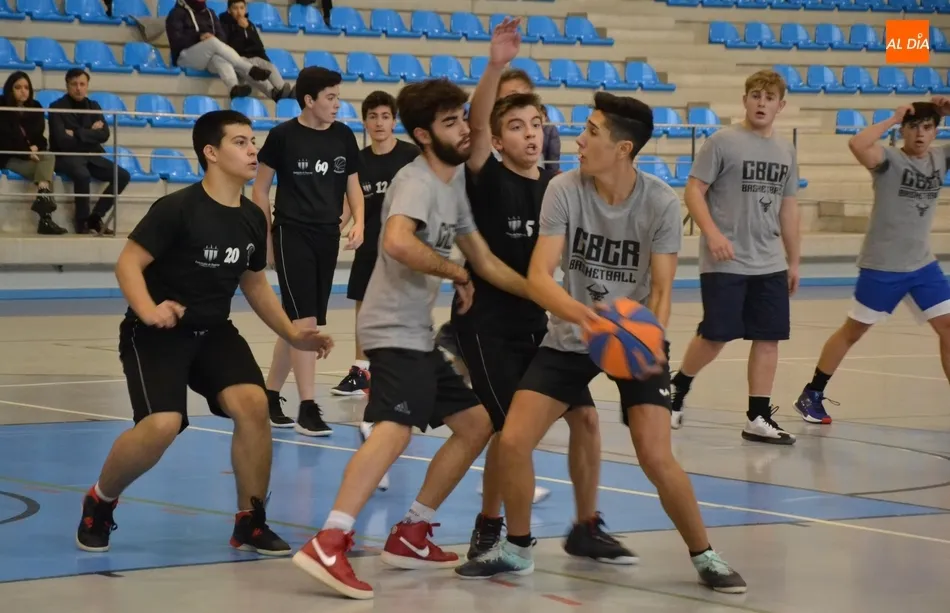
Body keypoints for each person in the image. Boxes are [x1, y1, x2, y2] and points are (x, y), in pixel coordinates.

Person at [453, 92, 747, 594]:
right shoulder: (563, 188)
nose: (577, 139)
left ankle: (706, 554)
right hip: (572, 332)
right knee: (516, 438)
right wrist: (586, 318)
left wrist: (643, 336)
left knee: (655, 455)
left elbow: (659, 290)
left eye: (591, 132)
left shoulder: (659, 202)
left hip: (633, 337)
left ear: (623, 148)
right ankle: (518, 547)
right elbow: (540, 276)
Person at [291, 76, 541, 600]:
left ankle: (411, 532)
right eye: (451, 122)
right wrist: (454, 272)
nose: (465, 129)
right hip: (390, 327)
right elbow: (399, 241)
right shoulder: (415, 180)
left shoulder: (453, 185)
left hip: (417, 333)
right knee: (395, 428)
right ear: (425, 135)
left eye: (463, 118)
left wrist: (549, 298)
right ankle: (330, 539)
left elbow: (485, 260)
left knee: (476, 425)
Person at [75, 110, 334, 556]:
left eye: (253, 140)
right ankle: (100, 499)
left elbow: (254, 283)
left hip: (213, 329)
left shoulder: (254, 216)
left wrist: (293, 334)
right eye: (240, 142)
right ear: (211, 153)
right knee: (162, 425)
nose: (252, 149)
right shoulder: (176, 208)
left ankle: (250, 521)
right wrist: (149, 310)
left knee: (254, 404)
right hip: (155, 331)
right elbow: (128, 264)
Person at [452, 19, 631, 563]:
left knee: (587, 418)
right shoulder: (485, 174)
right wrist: (495, 64)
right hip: (488, 326)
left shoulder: (560, 188)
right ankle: (492, 525)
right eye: (516, 125)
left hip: (545, 326)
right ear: (499, 136)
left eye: (536, 123)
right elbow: (477, 126)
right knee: (510, 433)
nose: (528, 133)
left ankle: (585, 524)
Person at [794, 99, 950, 423]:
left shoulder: (940, 157)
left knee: (948, 327)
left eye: (927, 127)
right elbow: (857, 143)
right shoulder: (888, 160)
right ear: (904, 130)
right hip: (883, 266)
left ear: (936, 130)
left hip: (922, 265)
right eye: (913, 127)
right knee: (853, 331)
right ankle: (813, 392)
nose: (920, 134)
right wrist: (893, 118)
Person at [668, 69, 801, 445]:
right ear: (745, 100)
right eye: (755, 95)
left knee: (769, 337)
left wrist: (794, 260)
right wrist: (712, 234)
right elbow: (694, 191)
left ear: (781, 105)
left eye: (769, 97)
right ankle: (678, 388)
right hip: (725, 259)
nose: (761, 103)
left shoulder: (786, 150)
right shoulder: (721, 141)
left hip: (770, 260)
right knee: (716, 334)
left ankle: (758, 416)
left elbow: (789, 208)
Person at [252, 66, 364, 435]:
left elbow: (352, 187)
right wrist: (266, 237)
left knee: (297, 322)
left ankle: (269, 396)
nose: (337, 104)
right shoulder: (283, 136)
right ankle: (307, 406)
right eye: (330, 98)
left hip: (325, 236)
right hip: (290, 233)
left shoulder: (344, 136)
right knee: (306, 323)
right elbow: (260, 190)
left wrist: (357, 221)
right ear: (309, 100)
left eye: (337, 97)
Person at [333, 90, 419, 399]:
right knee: (364, 308)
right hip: (369, 248)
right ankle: (361, 371)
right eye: (373, 117)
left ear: (394, 121)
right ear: (365, 122)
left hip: (404, 248)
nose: (379, 123)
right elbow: (348, 205)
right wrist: (330, 232)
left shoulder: (412, 156)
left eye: (385, 116)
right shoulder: (358, 162)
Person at [49, 69, 130, 235]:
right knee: (82, 174)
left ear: (87, 86)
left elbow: (104, 134)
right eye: (74, 84)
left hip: (91, 156)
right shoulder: (56, 107)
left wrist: (77, 132)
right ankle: (82, 223)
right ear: (67, 86)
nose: (78, 88)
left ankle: (96, 217)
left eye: (82, 84)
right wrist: (89, 132)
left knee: (122, 175)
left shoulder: (93, 106)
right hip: (66, 156)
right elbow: (62, 140)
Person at [0, 71, 66, 235]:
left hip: (31, 156)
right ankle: (46, 219)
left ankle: (43, 197)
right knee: (46, 169)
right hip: (8, 156)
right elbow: (4, 138)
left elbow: (40, 139)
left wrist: (36, 147)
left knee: (48, 157)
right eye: (18, 87)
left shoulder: (35, 107)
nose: (23, 91)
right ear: (10, 89)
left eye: (26, 87)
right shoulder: (2, 107)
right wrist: (27, 152)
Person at [166, 0, 272, 99]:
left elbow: (222, 36)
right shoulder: (176, 14)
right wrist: (199, 37)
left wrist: (210, 39)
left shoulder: (210, 13)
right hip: (184, 57)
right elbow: (177, 41)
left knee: (219, 57)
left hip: (206, 57)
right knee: (212, 42)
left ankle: (234, 87)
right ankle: (249, 69)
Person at [218, 0, 295, 101]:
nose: (239, 12)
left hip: (253, 57)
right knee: (252, 71)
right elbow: (229, 46)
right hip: (236, 59)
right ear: (229, 10)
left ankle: (282, 89)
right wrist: (240, 29)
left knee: (268, 65)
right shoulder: (224, 24)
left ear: (245, 9)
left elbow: (258, 46)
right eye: (235, 8)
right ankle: (273, 93)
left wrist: (248, 29)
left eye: (241, 8)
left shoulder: (249, 24)